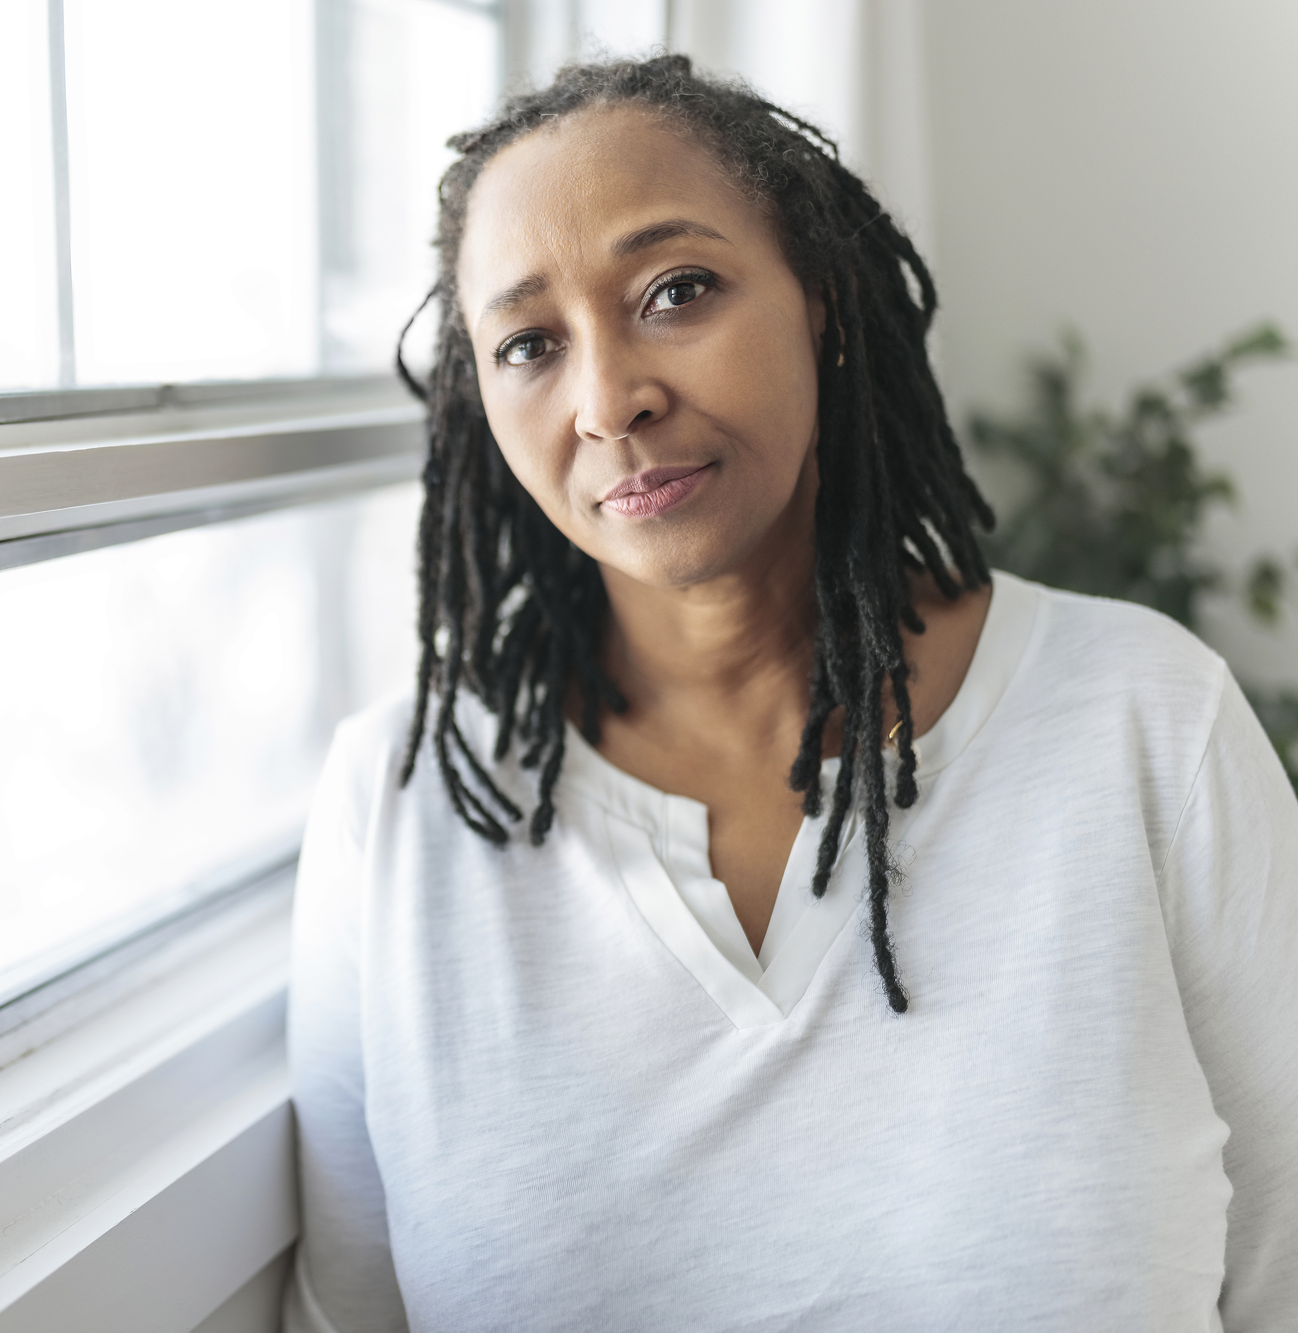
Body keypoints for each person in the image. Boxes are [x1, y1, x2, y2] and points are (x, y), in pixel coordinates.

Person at [283, 54, 1298, 1332]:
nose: (609, 400)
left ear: (816, 296)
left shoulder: (1146, 721)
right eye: (529, 343)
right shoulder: (403, 810)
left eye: (675, 290)